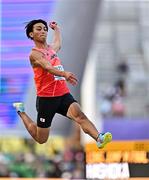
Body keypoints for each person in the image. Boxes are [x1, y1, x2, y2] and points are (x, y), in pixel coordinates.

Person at [13, 19, 112, 148]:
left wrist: (56, 29)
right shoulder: (34, 54)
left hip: (62, 94)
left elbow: (58, 43)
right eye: (39, 29)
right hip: (46, 99)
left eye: (44, 29)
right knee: (41, 138)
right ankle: (21, 112)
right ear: (31, 34)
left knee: (79, 116)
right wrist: (64, 74)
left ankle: (99, 138)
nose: (43, 31)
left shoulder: (51, 49)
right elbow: (48, 67)